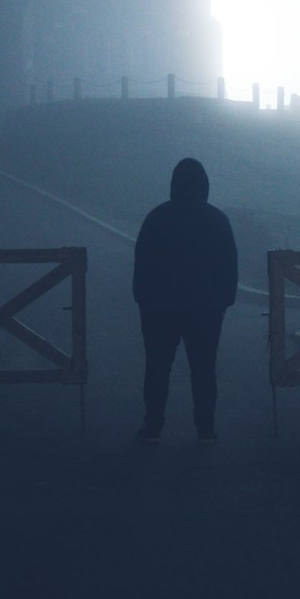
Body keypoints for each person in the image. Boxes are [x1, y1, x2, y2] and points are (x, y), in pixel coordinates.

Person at [132, 157, 238, 443]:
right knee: (203, 370)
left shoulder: (157, 217)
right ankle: (205, 429)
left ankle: (152, 427)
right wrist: (224, 302)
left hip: (159, 309)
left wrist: (143, 300)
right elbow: (230, 266)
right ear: (205, 186)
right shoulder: (217, 220)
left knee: (157, 368)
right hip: (205, 309)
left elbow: (142, 264)